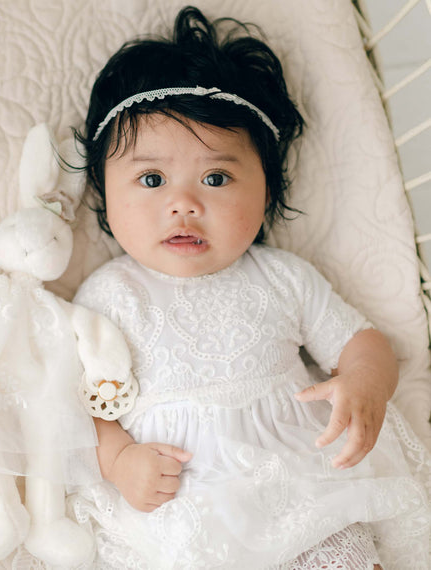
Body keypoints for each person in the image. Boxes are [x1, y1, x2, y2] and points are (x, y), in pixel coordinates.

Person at [69, 6, 431, 569]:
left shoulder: (281, 277)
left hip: (301, 491)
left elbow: (363, 341)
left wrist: (365, 381)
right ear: (104, 194)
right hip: (179, 505)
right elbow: (81, 407)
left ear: (265, 192)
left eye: (216, 178)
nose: (184, 202)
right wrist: (119, 462)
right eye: (151, 178)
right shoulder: (107, 296)